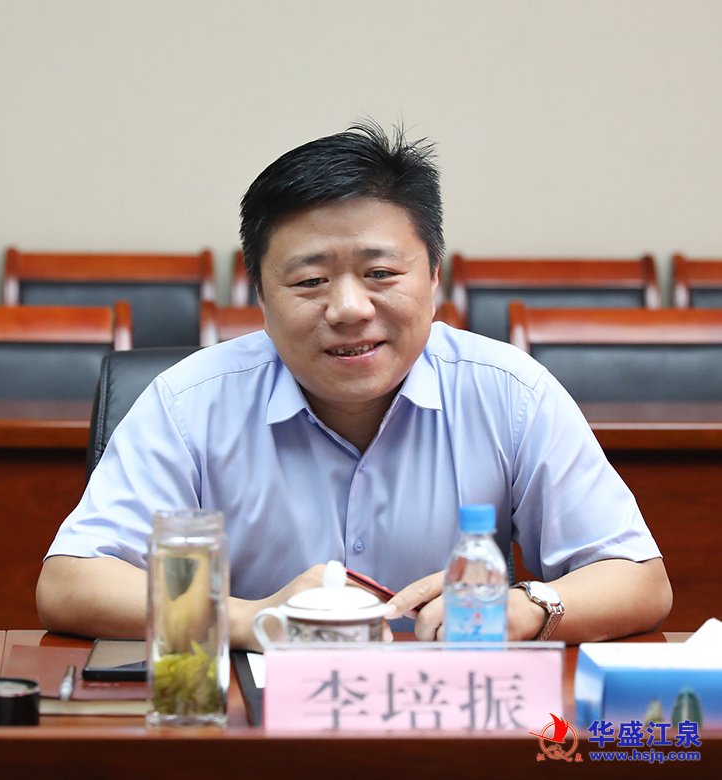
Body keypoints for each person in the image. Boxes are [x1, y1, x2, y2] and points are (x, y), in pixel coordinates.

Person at [36, 122, 672, 649]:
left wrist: (529, 606)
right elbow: (71, 583)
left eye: (381, 273)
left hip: (450, 723)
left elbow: (639, 580)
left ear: (434, 277)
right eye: (310, 281)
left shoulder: (510, 393)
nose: (348, 308)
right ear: (260, 295)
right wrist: (250, 619)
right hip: (252, 727)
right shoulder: (189, 403)